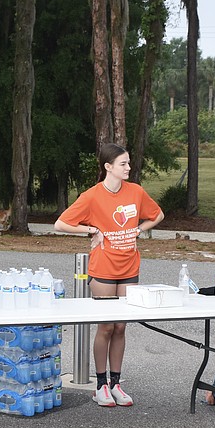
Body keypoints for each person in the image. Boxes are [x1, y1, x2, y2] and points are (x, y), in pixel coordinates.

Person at [54, 143, 164, 407]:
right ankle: (100, 385)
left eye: (128, 163)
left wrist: (139, 230)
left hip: (129, 266)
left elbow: (158, 214)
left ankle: (116, 384)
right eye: (123, 164)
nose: (129, 168)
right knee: (105, 325)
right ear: (108, 167)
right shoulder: (92, 196)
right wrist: (92, 231)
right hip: (103, 268)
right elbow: (60, 224)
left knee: (121, 326)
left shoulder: (135, 192)